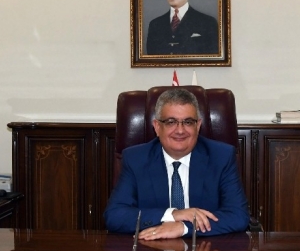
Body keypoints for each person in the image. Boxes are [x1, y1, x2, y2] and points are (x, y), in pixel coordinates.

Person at [104, 88, 249, 240]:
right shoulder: (136, 159)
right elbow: (115, 216)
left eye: (188, 122)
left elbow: (238, 216)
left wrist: (184, 227)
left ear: (198, 126)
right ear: (157, 127)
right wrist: (173, 215)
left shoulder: (221, 157)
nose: (180, 130)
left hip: (206, 249)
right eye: (171, 122)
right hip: (150, 249)